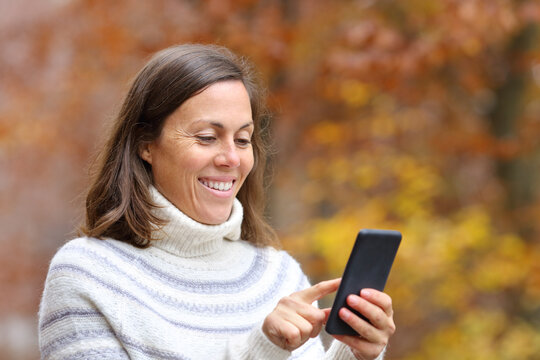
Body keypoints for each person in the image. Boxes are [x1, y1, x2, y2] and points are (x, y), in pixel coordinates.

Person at [38, 44, 395, 360]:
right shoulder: (89, 276)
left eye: (243, 140)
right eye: (207, 137)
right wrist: (264, 350)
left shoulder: (278, 277)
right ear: (145, 145)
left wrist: (355, 354)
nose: (232, 158)